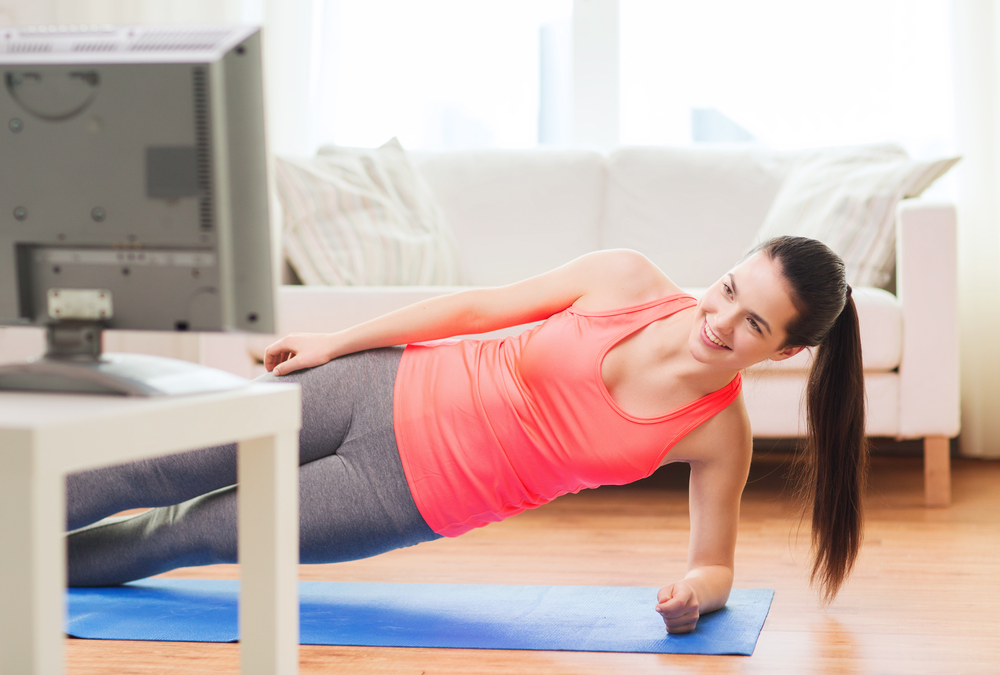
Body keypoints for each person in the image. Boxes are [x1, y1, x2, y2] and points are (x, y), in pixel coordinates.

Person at [65, 235, 866, 635]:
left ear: (787, 350)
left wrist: (696, 595)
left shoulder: (719, 434)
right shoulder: (626, 279)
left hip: (393, 498)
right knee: (142, 466)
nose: (718, 319)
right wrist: (335, 341)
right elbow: (481, 308)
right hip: (372, 384)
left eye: (752, 323)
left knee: (180, 534)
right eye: (728, 288)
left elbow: (714, 562)